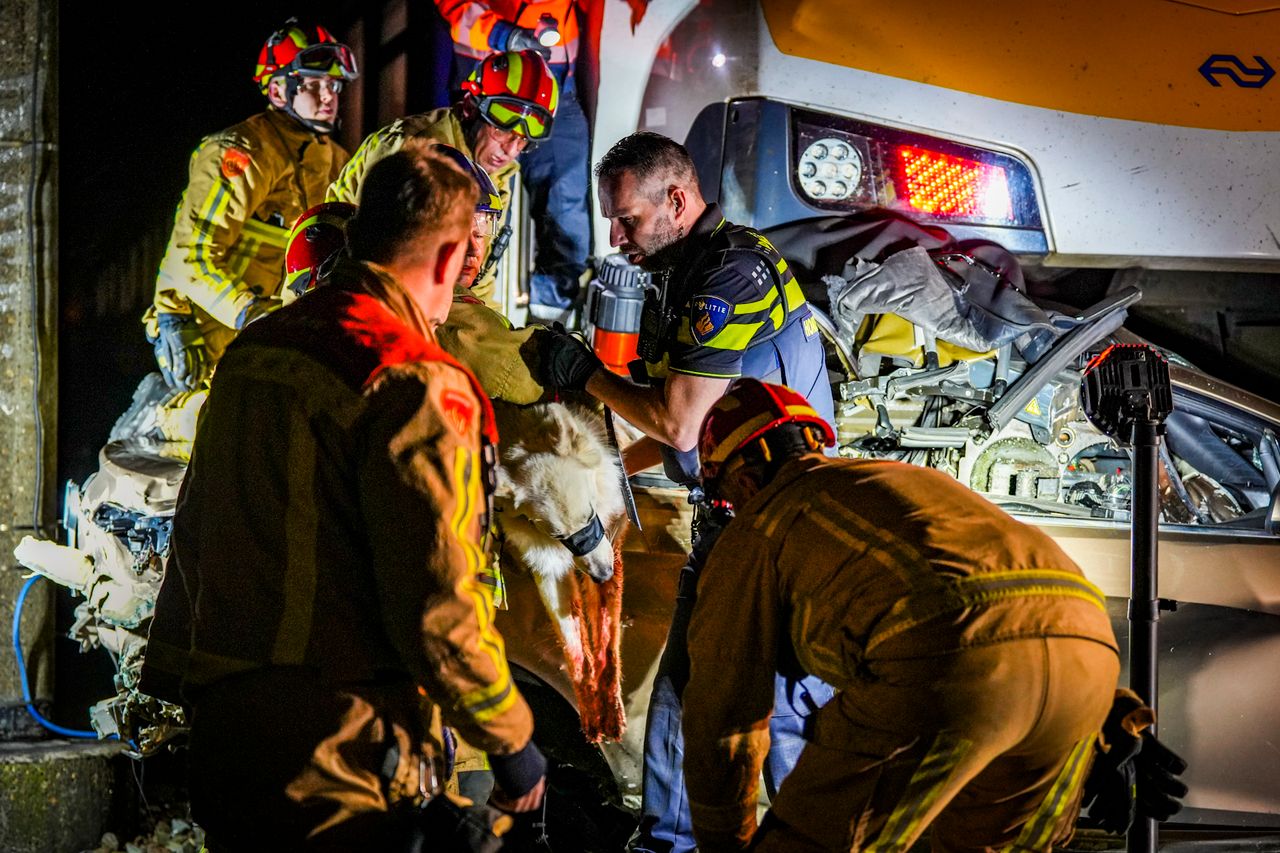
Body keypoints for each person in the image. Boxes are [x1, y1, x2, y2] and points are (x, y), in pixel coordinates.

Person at [140, 146, 546, 850]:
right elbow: (438, 606)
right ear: (450, 259)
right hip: (340, 751)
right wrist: (512, 741)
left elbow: (195, 536)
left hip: (230, 736)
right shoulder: (416, 380)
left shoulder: (253, 352)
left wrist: (180, 687)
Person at [533, 131, 836, 853]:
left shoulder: (730, 274)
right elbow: (676, 433)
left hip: (781, 526)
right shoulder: (680, 266)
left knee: (788, 716)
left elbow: (677, 422)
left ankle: (814, 839)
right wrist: (591, 476)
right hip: (730, 516)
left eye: (627, 218)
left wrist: (585, 375)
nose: (615, 234)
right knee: (681, 702)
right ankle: (667, 844)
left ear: (677, 199)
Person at [683, 378, 1123, 852]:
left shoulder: (761, 523)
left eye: (727, 499)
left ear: (745, 481)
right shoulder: (900, 481)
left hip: (948, 663)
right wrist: (1109, 715)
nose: (733, 511)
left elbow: (723, 720)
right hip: (1092, 664)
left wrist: (723, 842)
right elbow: (1019, 614)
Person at [144, 18, 356, 393]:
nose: (328, 96)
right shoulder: (242, 152)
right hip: (204, 326)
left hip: (269, 329)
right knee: (208, 427)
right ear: (277, 91)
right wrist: (255, 316)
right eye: (313, 84)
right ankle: (157, 421)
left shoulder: (337, 161)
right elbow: (190, 255)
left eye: (334, 85)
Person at [327, 49, 559, 308]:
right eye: (501, 128)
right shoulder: (415, 153)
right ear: (471, 107)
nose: (510, 149)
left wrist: (493, 329)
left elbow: (480, 277)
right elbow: (383, 269)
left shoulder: (498, 171)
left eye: (523, 139)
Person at [435, 0, 593, 324]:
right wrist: (500, 34)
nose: (513, 148)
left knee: (566, 221)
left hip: (556, 84)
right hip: (490, 78)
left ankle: (548, 332)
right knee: (462, 213)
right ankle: (453, 325)